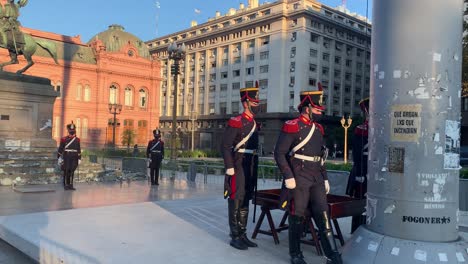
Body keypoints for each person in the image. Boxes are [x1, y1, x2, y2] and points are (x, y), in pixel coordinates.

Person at [274, 85, 342, 264]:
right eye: (317, 108)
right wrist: (288, 175)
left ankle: (332, 255)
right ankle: (295, 254)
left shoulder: (318, 128)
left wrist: (325, 178)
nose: (320, 112)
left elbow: (321, 157)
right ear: (307, 108)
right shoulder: (292, 126)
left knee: (323, 213)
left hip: (316, 176)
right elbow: (279, 153)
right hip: (299, 175)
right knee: (297, 215)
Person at [221, 83, 260, 250]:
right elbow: (225, 145)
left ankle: (243, 234)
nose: (257, 104)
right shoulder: (236, 121)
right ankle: (235, 235)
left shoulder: (254, 123)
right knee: (236, 198)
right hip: (238, 163)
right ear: (246, 103)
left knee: (246, 199)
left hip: (250, 164)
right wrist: (229, 166)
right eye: (254, 102)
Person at [346, 98, 369, 233]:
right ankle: (356, 233)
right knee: (360, 205)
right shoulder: (361, 130)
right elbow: (357, 154)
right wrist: (360, 174)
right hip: (363, 172)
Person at [57, 121, 81, 191]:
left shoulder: (77, 139)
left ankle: (71, 184)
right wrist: (58, 157)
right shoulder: (64, 139)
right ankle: (65, 185)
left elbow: (78, 149)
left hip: (74, 157)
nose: (72, 131)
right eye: (71, 130)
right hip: (67, 156)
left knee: (72, 170)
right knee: (66, 170)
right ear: (68, 130)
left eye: (73, 130)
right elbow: (61, 148)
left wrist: (79, 158)